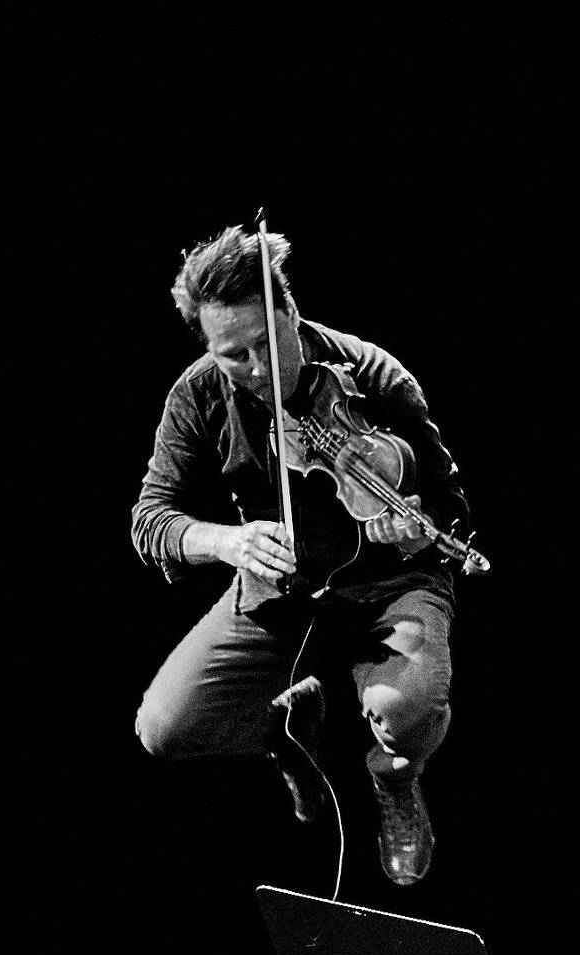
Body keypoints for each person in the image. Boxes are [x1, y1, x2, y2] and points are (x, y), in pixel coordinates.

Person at [132, 224, 472, 886]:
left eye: (266, 342)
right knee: (164, 729)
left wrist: (414, 528)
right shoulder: (198, 395)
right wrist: (226, 541)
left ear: (289, 310)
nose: (258, 370)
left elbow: (451, 507)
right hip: (282, 592)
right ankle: (286, 731)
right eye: (234, 355)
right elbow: (152, 519)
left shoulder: (372, 374)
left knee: (406, 714)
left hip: (389, 584)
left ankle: (393, 778)